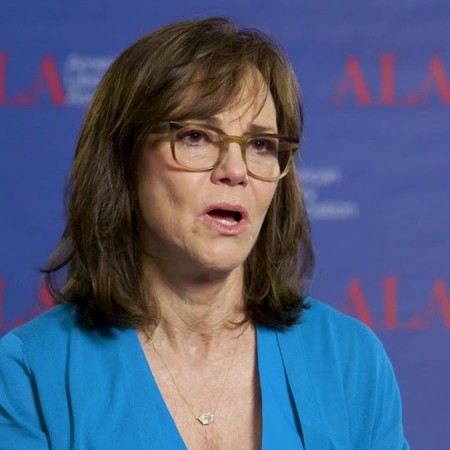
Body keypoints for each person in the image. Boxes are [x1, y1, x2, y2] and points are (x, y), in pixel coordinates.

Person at [0, 17, 408, 449]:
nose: (235, 170)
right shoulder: (30, 374)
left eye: (260, 145)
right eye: (196, 136)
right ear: (123, 161)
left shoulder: (350, 361)